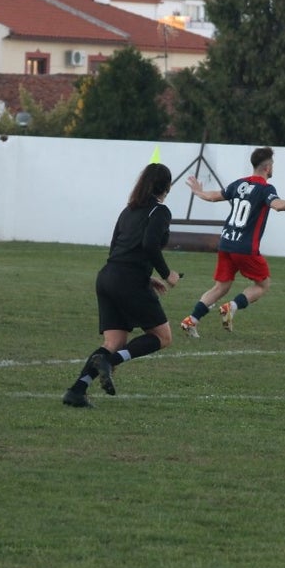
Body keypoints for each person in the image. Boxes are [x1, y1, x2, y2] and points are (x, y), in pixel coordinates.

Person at [63, 163, 182, 408]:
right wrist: (167, 273)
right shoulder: (160, 212)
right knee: (162, 337)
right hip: (127, 280)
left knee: (113, 342)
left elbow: (117, 244)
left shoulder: (129, 210)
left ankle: (77, 391)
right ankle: (110, 361)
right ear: (168, 186)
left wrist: (145, 276)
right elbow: (149, 245)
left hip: (108, 275)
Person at [179, 147, 285, 337]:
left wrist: (199, 192)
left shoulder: (239, 184)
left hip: (226, 242)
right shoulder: (266, 189)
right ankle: (231, 307)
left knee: (221, 286)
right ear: (267, 167)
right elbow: (278, 206)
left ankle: (191, 320)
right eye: (272, 165)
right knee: (263, 284)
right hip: (245, 247)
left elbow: (214, 196)